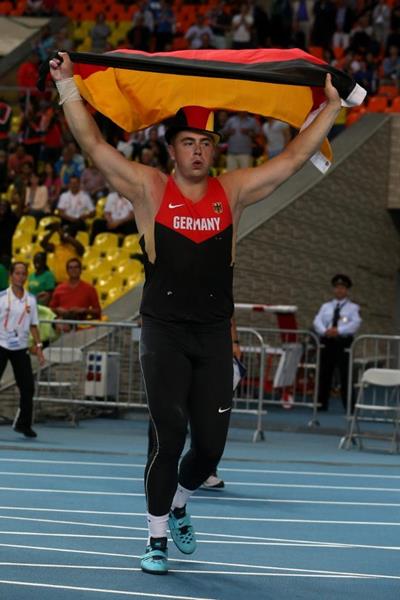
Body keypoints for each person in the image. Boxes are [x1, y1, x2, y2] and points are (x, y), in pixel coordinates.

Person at [49, 51, 341, 575]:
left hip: (210, 336)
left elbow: (295, 158)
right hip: (163, 332)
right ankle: (156, 536)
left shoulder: (233, 192)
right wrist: (69, 84)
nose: (199, 151)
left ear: (215, 151)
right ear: (173, 149)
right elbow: (92, 144)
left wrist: (332, 108)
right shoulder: (148, 188)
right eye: (189, 142)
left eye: (206, 143)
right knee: (168, 432)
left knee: (208, 449)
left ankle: (182, 500)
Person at [0, 262, 45, 438]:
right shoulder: (2, 298)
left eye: (23, 273)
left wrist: (39, 348)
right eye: (17, 273)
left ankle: (23, 424)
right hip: (1, 344)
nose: (20, 276)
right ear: (11, 275)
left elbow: (34, 325)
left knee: (27, 387)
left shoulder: (31, 300)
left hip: (20, 347)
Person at [313, 274, 361, 412]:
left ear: (347, 290)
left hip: (343, 342)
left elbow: (356, 323)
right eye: (337, 287)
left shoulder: (353, 307)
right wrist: (325, 331)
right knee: (324, 373)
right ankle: (321, 405)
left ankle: (349, 407)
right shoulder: (325, 306)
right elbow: (317, 321)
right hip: (327, 342)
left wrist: (339, 330)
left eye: (342, 288)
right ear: (334, 289)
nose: (339, 290)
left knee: (346, 374)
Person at [49, 257, 101, 321]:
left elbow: (98, 312)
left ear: (81, 270)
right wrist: (57, 310)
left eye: (76, 267)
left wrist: (84, 310)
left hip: (81, 325)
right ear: (67, 271)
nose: (73, 270)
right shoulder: (59, 288)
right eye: (70, 268)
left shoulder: (90, 289)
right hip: (63, 324)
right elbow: (50, 309)